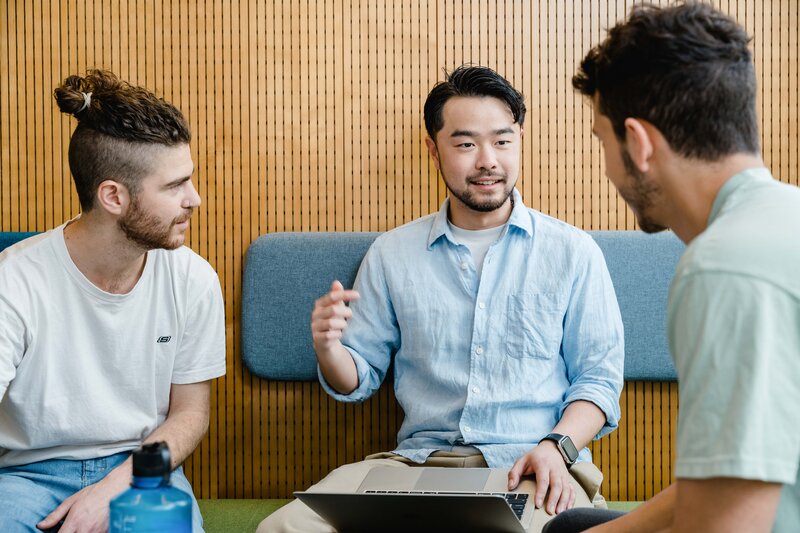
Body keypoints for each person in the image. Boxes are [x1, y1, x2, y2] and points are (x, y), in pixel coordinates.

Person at [258, 65, 625, 533]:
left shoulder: (573, 252)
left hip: (533, 464)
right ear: (434, 150)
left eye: (503, 141)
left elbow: (598, 382)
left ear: (519, 141)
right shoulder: (393, 253)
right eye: (466, 143)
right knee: (287, 528)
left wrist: (558, 446)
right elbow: (359, 378)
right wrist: (329, 349)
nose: (488, 160)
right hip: (416, 466)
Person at [543, 3, 800, 532]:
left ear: (638, 143)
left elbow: (726, 523)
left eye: (601, 141)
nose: (607, 166)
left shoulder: (722, 270)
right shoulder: (785, 217)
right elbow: (737, 470)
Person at [0, 70, 226, 533]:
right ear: (113, 197)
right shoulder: (13, 280)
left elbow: (191, 413)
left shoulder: (194, 278)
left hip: (144, 473)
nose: (194, 199)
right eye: (174, 186)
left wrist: (116, 487)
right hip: (25, 475)